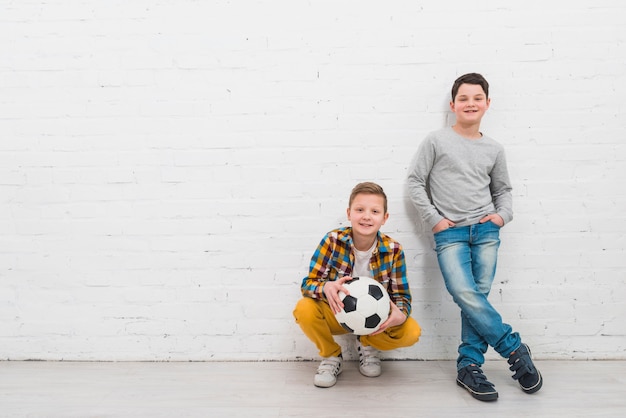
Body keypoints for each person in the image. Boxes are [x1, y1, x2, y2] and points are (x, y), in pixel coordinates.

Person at [407, 73, 543, 401]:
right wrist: (436, 220)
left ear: (487, 103)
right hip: (450, 233)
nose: (471, 104)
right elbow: (415, 182)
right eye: (464, 99)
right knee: (465, 292)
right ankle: (513, 349)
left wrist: (501, 216)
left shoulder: (494, 148)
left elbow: (503, 190)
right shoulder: (436, 141)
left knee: (476, 298)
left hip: (485, 233)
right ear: (453, 105)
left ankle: (469, 365)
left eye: (477, 98)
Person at [293, 182, 421, 388]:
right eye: (360, 210)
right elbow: (308, 284)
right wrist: (326, 287)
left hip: (376, 322)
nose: (366, 216)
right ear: (349, 213)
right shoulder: (333, 240)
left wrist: (401, 314)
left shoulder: (394, 249)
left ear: (384, 218)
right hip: (337, 312)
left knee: (411, 331)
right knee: (304, 308)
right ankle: (332, 356)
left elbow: (402, 297)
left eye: (375, 211)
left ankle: (366, 343)